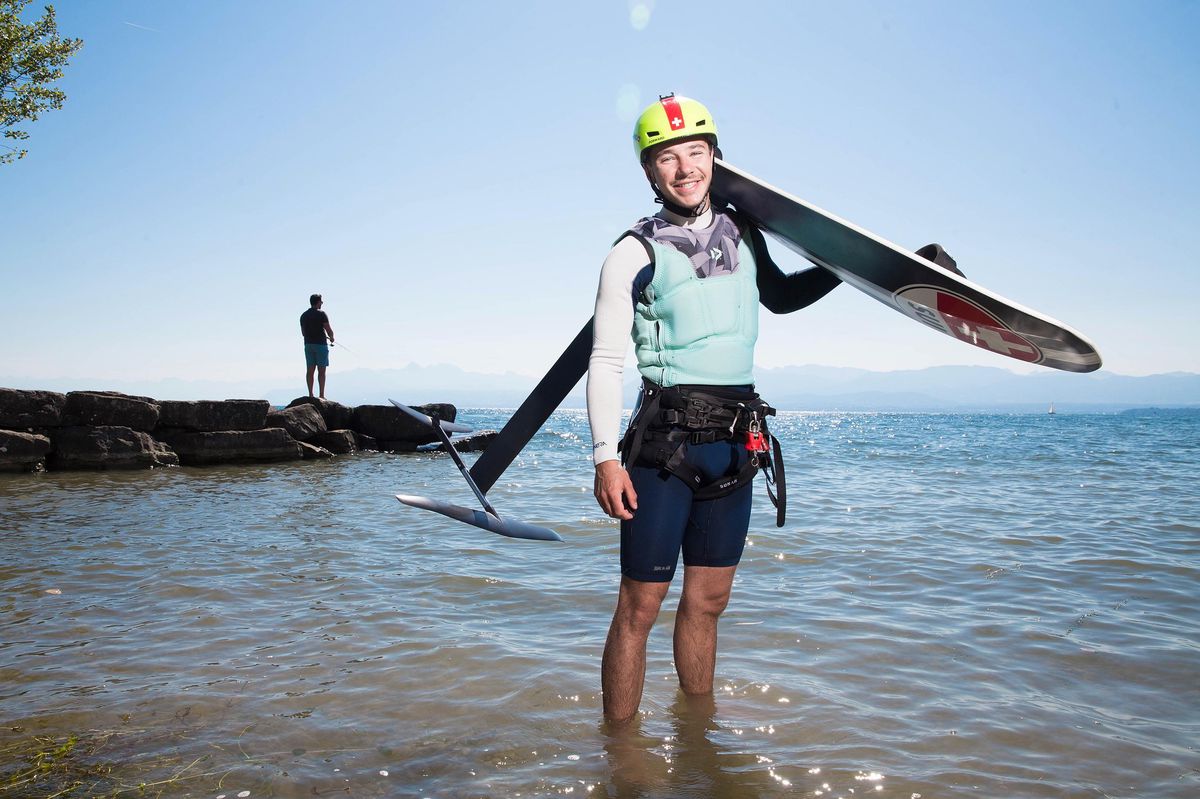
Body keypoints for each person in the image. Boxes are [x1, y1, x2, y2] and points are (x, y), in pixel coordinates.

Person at [587, 94, 843, 723]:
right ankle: (621, 757)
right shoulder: (632, 251)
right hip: (663, 446)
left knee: (709, 601)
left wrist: (851, 272)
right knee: (640, 605)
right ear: (650, 171)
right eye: (667, 159)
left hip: (735, 438)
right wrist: (603, 459)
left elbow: (780, 297)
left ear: (715, 158)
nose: (684, 169)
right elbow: (605, 362)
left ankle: (698, 744)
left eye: (695, 153)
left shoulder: (745, 233)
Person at [300, 293, 335, 399]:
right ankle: (321, 395)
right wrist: (332, 337)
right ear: (318, 302)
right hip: (320, 345)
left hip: (308, 345)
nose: (322, 303)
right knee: (322, 371)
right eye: (321, 301)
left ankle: (310, 394)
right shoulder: (322, 314)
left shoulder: (304, 315)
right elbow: (328, 330)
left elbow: (303, 333)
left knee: (310, 370)